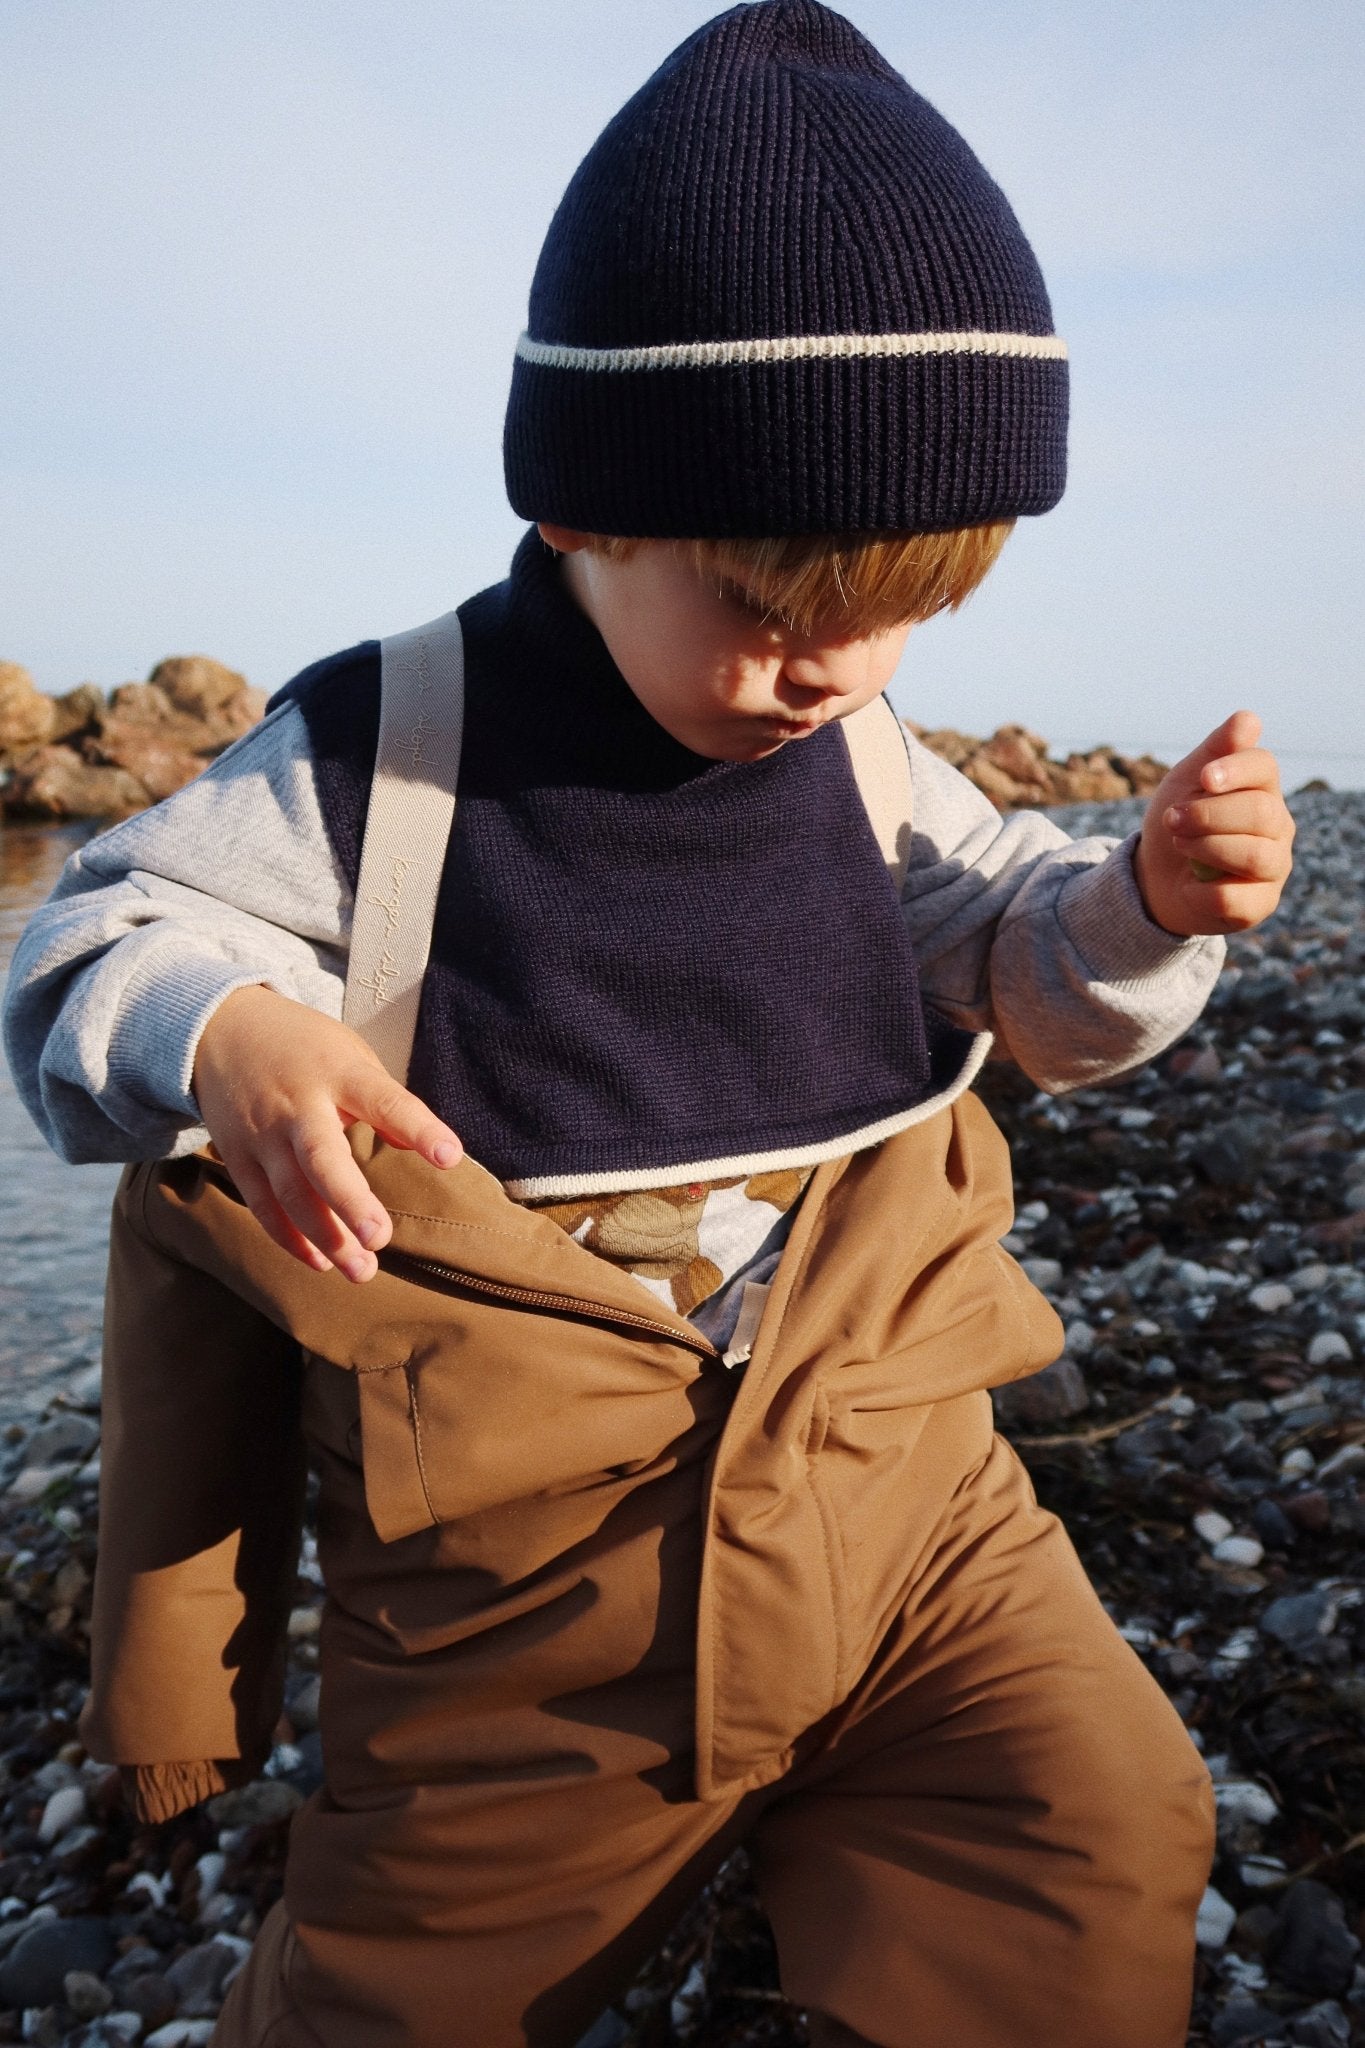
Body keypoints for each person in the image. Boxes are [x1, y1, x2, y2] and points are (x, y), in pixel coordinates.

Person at [3, 4, 1295, 2044]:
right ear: (581, 506)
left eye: (896, 607)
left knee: (1094, 1817)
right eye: (763, 602)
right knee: (414, 1985)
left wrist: (1140, 910)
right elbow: (86, 937)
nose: (826, 666)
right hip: (525, 1593)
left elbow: (1028, 989)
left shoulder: (873, 762)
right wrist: (236, 1033)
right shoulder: (382, 752)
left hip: (899, 1500)